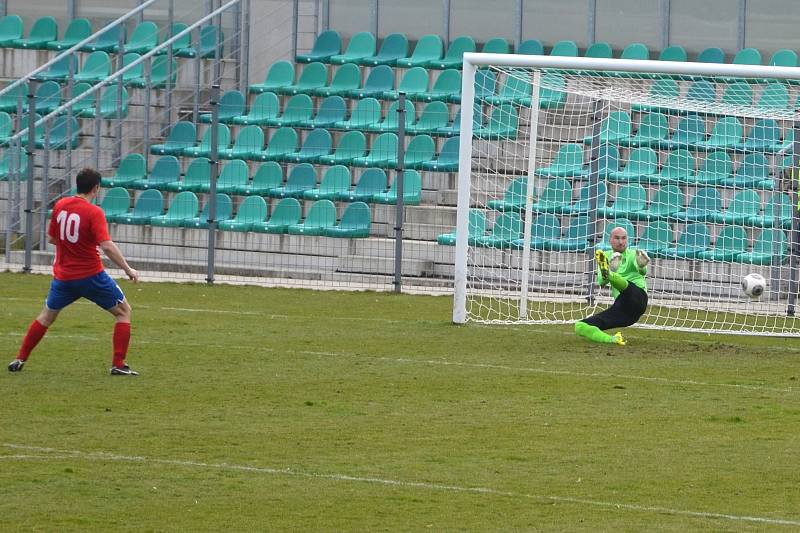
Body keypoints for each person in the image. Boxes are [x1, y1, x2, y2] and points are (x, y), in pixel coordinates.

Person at [8, 168, 140, 375]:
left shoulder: (61, 205)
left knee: (45, 317)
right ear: (96, 188)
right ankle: (118, 364)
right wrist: (128, 269)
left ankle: (20, 359)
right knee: (124, 312)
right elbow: (106, 246)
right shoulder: (94, 212)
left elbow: (52, 238)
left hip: (64, 277)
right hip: (91, 275)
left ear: (77, 185)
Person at [575, 226, 649, 346]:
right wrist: (607, 274)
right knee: (580, 326)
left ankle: (610, 273)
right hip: (623, 309)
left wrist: (642, 266)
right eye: (617, 238)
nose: (621, 242)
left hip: (638, 298)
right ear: (610, 240)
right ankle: (613, 339)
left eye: (624, 238)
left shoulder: (634, 254)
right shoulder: (605, 256)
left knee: (627, 286)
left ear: (628, 240)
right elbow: (601, 282)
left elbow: (642, 272)